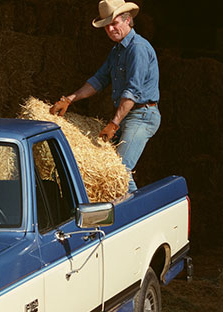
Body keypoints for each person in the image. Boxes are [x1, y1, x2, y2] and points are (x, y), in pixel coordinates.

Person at [49, 0, 160, 192]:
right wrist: (69, 99)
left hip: (142, 116)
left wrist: (114, 123)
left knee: (119, 172)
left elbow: (132, 91)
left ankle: (139, 218)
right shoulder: (117, 51)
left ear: (127, 20)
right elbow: (98, 80)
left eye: (114, 23)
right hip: (128, 116)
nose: (110, 29)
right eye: (106, 26)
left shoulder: (138, 49)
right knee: (99, 168)